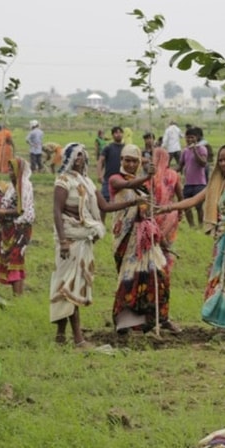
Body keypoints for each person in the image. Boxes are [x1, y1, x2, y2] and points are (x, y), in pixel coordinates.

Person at [160, 145, 225, 341]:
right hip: (222, 239)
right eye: (220, 160)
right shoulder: (218, 183)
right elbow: (194, 200)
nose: (223, 164)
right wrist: (167, 208)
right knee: (223, 281)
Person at [50, 143, 136, 345]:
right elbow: (57, 211)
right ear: (69, 158)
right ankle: (78, 339)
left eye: (82, 155)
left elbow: (104, 206)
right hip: (70, 239)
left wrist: (132, 203)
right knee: (67, 286)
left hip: (83, 239)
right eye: (76, 155)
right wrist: (63, 241)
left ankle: (61, 336)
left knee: (70, 285)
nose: (80, 158)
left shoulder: (87, 182)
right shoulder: (63, 181)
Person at [108, 144, 175, 334]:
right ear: (121, 160)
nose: (130, 165)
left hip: (146, 239)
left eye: (134, 161)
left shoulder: (143, 186)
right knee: (130, 280)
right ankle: (125, 323)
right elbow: (126, 186)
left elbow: (149, 213)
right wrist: (147, 176)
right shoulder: (115, 179)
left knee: (159, 275)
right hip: (127, 239)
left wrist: (160, 238)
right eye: (127, 160)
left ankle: (158, 319)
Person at [0, 158, 35, 296]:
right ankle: (16, 296)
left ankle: (18, 298)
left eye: (12, 169)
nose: (10, 172)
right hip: (9, 227)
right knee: (9, 261)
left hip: (21, 228)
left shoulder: (24, 185)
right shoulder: (11, 187)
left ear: (19, 170)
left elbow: (21, 210)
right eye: (9, 169)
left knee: (16, 260)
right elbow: (5, 204)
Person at [151, 147, 183, 267]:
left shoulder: (150, 176)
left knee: (153, 243)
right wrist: (180, 212)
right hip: (170, 214)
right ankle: (165, 268)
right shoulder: (174, 175)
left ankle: (154, 268)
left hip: (153, 214)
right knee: (167, 244)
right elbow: (180, 196)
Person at [179, 127, 209, 228]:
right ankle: (192, 226)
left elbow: (203, 163)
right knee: (186, 206)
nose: (189, 139)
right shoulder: (185, 151)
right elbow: (180, 166)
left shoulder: (202, 149)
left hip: (199, 183)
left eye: (192, 137)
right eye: (187, 137)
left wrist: (195, 150)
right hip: (188, 183)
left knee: (198, 206)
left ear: (197, 138)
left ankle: (200, 225)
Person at [99, 125, 125, 202]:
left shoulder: (126, 148)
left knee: (122, 201)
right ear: (112, 135)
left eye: (120, 132)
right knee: (105, 200)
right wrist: (100, 175)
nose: (118, 134)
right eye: (116, 133)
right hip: (108, 179)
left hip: (123, 179)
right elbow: (100, 161)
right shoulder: (108, 148)